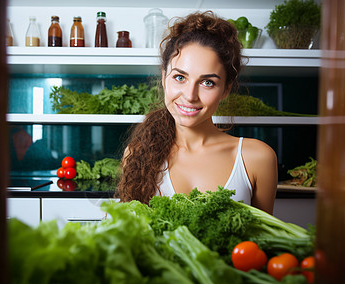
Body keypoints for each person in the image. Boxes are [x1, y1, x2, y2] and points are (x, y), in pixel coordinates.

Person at [117, 11, 278, 214]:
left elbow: (263, 242)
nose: (190, 95)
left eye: (207, 82)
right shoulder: (137, 154)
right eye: (179, 77)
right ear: (164, 77)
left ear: (226, 90)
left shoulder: (256, 158)